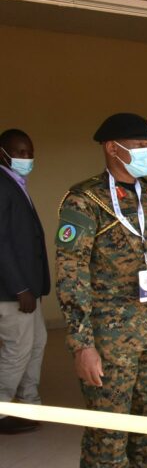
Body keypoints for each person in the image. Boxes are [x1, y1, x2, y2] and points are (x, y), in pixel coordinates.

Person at [56, 113, 147, 466]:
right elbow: (71, 276)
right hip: (111, 341)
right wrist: (82, 345)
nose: (146, 153)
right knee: (107, 435)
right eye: (138, 147)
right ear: (112, 148)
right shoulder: (84, 202)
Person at [0, 129, 49, 434]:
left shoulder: (15, 183)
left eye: (29, 152)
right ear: (2, 153)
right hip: (12, 292)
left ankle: (28, 403)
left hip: (28, 289)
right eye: (18, 153)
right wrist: (20, 287)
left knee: (37, 344)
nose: (25, 158)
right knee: (17, 351)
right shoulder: (1, 185)